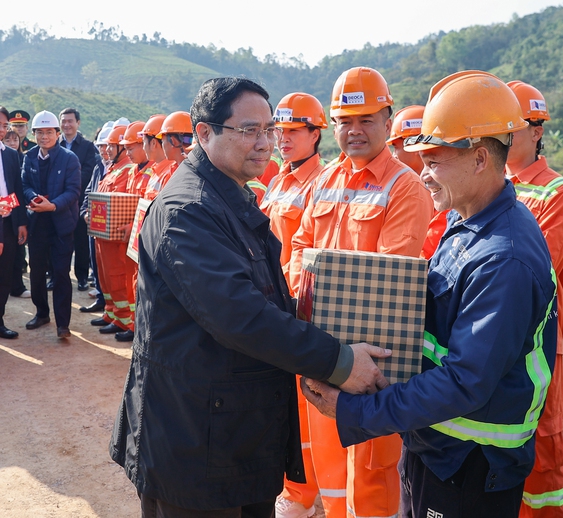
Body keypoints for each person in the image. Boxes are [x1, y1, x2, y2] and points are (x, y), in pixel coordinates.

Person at [109, 76, 392, 517]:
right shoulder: (188, 211)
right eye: (249, 130)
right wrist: (338, 360)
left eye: (269, 130)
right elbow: (241, 316)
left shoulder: (230, 198)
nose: (265, 143)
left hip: (232, 435)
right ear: (205, 133)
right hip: (194, 446)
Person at [302, 70, 557, 518]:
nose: (424, 175)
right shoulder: (468, 224)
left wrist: (359, 410)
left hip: (471, 462)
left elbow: (464, 381)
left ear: (479, 159)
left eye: (435, 162)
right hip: (438, 445)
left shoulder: (503, 258)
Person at [289, 66, 434, 518]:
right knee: (330, 467)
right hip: (322, 350)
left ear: (388, 121)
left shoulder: (404, 188)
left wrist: (344, 351)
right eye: (344, 121)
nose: (354, 131)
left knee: (372, 472)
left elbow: (389, 282)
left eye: (366, 119)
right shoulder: (325, 181)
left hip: (371, 358)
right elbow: (299, 246)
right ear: (332, 127)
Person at [504, 80, 563, 518]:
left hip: (537, 345)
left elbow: (535, 274)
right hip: (492, 340)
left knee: (541, 454)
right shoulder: (487, 185)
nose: (503, 138)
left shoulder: (558, 194)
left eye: (513, 128)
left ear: (537, 131)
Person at [265, 92, 329, 518]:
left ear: (316, 134)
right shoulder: (278, 180)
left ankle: (304, 493)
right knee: (285, 405)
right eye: (279, 131)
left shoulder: (318, 183)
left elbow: (309, 251)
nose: (282, 139)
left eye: (292, 131)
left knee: (307, 408)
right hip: (273, 302)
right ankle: (293, 484)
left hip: (298, 306)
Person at [21, 110, 81, 339]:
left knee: (61, 273)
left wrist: (52, 205)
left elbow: (73, 191)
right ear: (34, 134)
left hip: (61, 225)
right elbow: (24, 183)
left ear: (57, 133)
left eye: (48, 132)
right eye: (39, 132)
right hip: (37, 225)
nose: (44, 136)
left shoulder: (69, 159)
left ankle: (63, 324)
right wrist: (33, 198)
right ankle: (42, 313)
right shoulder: (29, 156)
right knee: (36, 272)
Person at [91, 123, 135, 339]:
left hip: (116, 236)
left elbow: (123, 204)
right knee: (105, 276)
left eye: (112, 146)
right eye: (106, 146)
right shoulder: (114, 168)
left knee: (118, 277)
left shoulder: (127, 170)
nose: (107, 150)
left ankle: (124, 319)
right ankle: (111, 312)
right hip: (103, 235)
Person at [386, 105, 448, 260]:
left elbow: (425, 253)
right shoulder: (401, 189)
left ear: (414, 146)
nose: (393, 155)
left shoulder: (446, 196)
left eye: (395, 147)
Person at [114, 120, 154, 342]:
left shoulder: (157, 172)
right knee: (131, 281)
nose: (127, 153)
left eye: (131, 148)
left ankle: (136, 325)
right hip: (129, 238)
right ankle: (132, 322)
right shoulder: (133, 171)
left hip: (141, 237)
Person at [79, 121, 118, 314]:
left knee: (112, 271)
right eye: (101, 146)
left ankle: (112, 308)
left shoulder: (119, 169)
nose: (104, 150)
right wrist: (85, 211)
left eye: (107, 146)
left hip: (110, 228)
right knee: (97, 265)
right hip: (94, 224)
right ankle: (103, 301)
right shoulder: (98, 167)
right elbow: (89, 191)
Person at [59, 108, 98, 292]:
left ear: (78, 123)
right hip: (58, 202)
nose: (67, 125)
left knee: (81, 240)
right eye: (64, 121)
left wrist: (70, 185)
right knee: (58, 239)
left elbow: (89, 171)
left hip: (79, 200)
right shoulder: (54, 144)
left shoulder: (87, 146)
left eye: (70, 121)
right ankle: (57, 275)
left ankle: (82, 276)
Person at [0, 106, 28, 339]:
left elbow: (16, 190)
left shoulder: (10, 155)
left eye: (4, 125)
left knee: (4, 275)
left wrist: (21, 223)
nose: (2, 130)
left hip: (7, 224)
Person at [143, 111, 191, 199]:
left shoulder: (178, 173)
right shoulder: (175, 169)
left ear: (173, 141)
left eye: (162, 140)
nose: (162, 144)